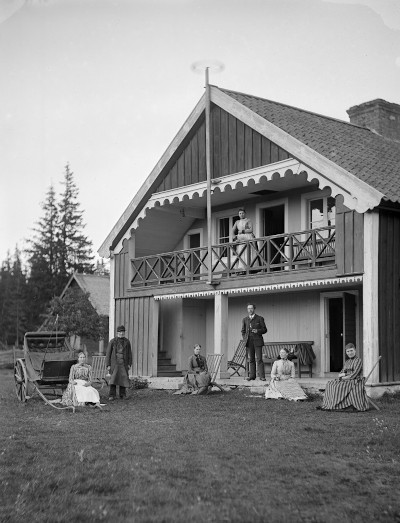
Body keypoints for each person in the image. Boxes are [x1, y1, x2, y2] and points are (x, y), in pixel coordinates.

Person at [318, 343, 369, 411]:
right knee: (330, 384)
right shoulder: (347, 362)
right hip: (347, 379)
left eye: (351, 350)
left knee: (338, 386)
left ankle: (340, 405)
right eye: (348, 351)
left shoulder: (358, 360)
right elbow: (341, 373)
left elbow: (354, 374)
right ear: (346, 352)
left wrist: (344, 376)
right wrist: (344, 375)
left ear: (355, 351)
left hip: (355, 380)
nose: (350, 353)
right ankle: (329, 404)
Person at [106, 325, 132, 401]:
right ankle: (112, 395)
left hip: (123, 363)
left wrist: (129, 363)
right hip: (115, 364)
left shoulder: (127, 342)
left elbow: (130, 353)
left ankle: (122, 394)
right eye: (120, 332)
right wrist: (108, 364)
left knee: (123, 379)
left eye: (123, 332)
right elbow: (108, 354)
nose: (121, 333)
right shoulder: (112, 341)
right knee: (113, 379)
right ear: (117, 332)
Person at [241, 303, 267, 381]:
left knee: (259, 359)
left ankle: (262, 376)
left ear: (254, 309)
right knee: (251, 359)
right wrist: (245, 338)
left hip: (258, 341)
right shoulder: (245, 319)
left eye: (251, 308)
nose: (250, 310)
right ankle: (252, 376)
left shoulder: (259, 318)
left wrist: (258, 331)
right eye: (248, 308)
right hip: (249, 342)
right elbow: (243, 331)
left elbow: (265, 329)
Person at [232, 208, 256, 274]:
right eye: (240, 213)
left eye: (242, 213)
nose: (241, 214)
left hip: (248, 236)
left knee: (248, 251)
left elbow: (251, 230)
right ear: (238, 214)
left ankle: (250, 267)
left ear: (245, 213)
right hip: (240, 238)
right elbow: (232, 231)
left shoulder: (248, 220)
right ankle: (242, 268)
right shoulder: (237, 222)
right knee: (241, 252)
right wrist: (235, 239)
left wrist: (242, 231)